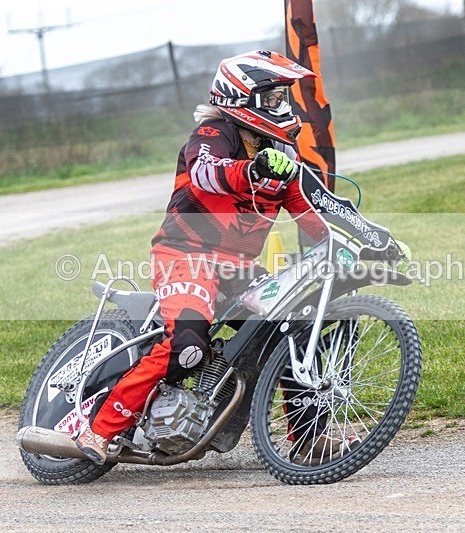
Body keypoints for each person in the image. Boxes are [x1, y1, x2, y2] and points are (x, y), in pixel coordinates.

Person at [75, 50, 355, 466]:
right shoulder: (212, 134)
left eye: (283, 98)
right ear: (243, 97)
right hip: (185, 257)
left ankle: (307, 436)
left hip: (238, 270)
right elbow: (208, 172)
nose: (283, 106)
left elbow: (309, 210)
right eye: (274, 98)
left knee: (290, 326)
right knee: (187, 345)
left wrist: (358, 240)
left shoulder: (281, 153)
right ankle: (99, 431)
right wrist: (253, 170)